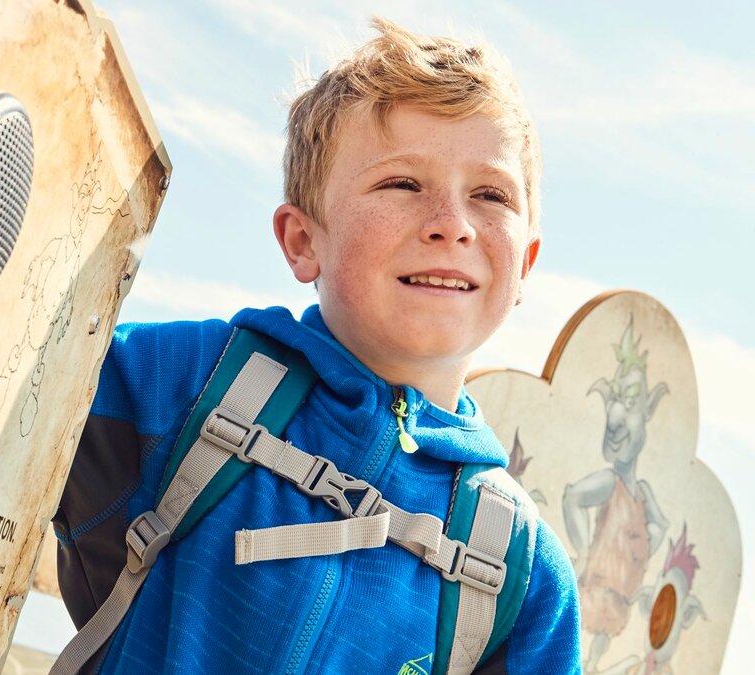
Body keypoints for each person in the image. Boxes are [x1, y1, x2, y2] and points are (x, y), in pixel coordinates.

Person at [54, 17, 580, 674]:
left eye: (490, 194)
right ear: (303, 241)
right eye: (402, 184)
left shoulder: (522, 575)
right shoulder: (178, 384)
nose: (451, 225)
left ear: (526, 265)